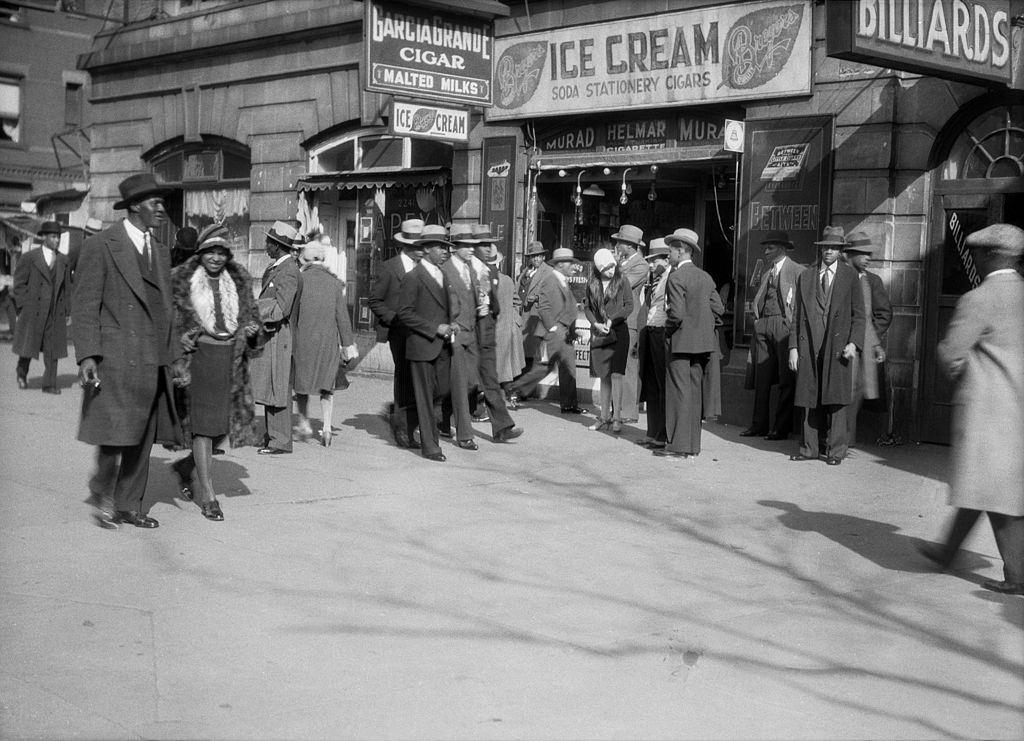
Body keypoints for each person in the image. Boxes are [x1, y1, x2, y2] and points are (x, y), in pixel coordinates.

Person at [72, 172, 185, 529]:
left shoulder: (161, 252)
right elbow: (86, 304)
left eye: (162, 203)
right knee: (114, 434)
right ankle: (103, 490)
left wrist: (177, 360)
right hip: (115, 358)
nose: (161, 209)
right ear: (135, 206)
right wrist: (88, 355)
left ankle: (129, 504)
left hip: (152, 359)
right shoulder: (102, 245)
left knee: (143, 436)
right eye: (155, 202)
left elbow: (167, 310)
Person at [919, 223, 1024, 595]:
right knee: (990, 486)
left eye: (977, 253)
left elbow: (950, 354)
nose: (974, 260)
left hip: (989, 411)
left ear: (991, 255)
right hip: (1018, 410)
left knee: (990, 487)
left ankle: (1017, 576)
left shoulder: (978, 298)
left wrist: (966, 379)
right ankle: (946, 553)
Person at [168, 223, 261, 521]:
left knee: (222, 426)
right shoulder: (183, 280)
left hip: (231, 360)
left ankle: (186, 466)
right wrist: (181, 342)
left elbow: (253, 318)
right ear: (201, 252)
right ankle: (208, 495)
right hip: (199, 360)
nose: (216, 258)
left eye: (222, 253)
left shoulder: (239, 279)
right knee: (203, 427)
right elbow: (169, 321)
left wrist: (252, 331)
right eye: (211, 252)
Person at [788, 225, 865, 466]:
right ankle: (809, 448)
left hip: (838, 345)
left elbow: (859, 315)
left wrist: (854, 343)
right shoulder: (807, 275)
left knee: (836, 400)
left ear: (841, 250)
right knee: (808, 396)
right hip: (810, 344)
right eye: (825, 247)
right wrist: (793, 347)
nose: (828, 251)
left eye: (833, 248)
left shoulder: (850, 276)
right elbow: (798, 315)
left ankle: (836, 451)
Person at [657, 228, 723, 459]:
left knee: (678, 394)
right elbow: (719, 308)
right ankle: (693, 446)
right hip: (703, 344)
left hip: (680, 343)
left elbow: (676, 314)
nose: (668, 255)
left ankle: (679, 446)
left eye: (671, 251)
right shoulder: (705, 276)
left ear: (681, 251)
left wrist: (668, 331)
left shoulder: (676, 277)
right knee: (695, 394)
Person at [396, 224, 458, 462]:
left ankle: (409, 425)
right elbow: (405, 313)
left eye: (446, 247)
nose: (445, 251)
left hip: (442, 345)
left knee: (441, 391)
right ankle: (430, 446)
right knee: (424, 396)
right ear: (427, 249)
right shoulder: (414, 277)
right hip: (422, 345)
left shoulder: (443, 274)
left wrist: (451, 324)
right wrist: (434, 328)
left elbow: (444, 308)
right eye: (441, 247)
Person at [292, 240, 358, 447]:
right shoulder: (335, 284)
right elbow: (342, 319)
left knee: (301, 384)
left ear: (305, 259)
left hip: (302, 340)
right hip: (327, 342)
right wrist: (348, 346)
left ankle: (304, 424)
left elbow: (293, 315)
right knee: (326, 386)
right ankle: (327, 428)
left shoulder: (299, 280)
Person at [506, 247, 585, 414]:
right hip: (553, 334)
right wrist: (553, 328)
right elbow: (543, 307)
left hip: (565, 333)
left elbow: (566, 307)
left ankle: (570, 404)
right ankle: (514, 388)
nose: (573, 267)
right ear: (560, 264)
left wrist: (572, 330)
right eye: (569, 263)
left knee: (569, 368)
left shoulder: (562, 280)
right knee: (543, 368)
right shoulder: (550, 279)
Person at [742, 230, 805, 440]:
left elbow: (801, 303)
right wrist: (758, 322)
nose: (766, 251)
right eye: (766, 247)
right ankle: (758, 425)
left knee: (786, 379)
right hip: (763, 326)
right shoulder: (766, 271)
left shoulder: (797, 270)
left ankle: (781, 428)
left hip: (783, 325)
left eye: (770, 247)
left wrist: (790, 325)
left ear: (782, 248)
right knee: (762, 377)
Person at [368, 219, 424, 449]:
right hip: (399, 332)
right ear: (407, 246)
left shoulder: (425, 269)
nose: (422, 250)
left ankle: (416, 422)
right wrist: (393, 318)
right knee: (404, 377)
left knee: (420, 379)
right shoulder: (389, 268)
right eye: (419, 246)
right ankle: (402, 427)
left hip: (421, 332)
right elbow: (374, 300)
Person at [250, 220, 301, 455]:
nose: (266, 245)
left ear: (278, 245)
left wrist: (256, 309)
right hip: (272, 336)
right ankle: (273, 436)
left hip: (280, 337)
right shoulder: (277, 268)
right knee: (272, 386)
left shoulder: (289, 270)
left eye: (269, 242)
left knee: (278, 387)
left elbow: (282, 309)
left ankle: (280, 440)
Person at [469, 224, 523, 442]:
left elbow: (496, 305)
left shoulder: (491, 273)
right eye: (483, 244)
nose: (488, 248)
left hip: (488, 336)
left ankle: (502, 427)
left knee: (491, 384)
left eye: (490, 244)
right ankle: (422, 416)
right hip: (469, 335)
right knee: (461, 385)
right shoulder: (467, 269)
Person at [840, 231, 893, 447]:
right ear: (849, 255)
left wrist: (872, 337)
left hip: (862, 349)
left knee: (855, 391)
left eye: (869, 254)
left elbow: (884, 313)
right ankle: (837, 438)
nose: (868, 258)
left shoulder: (872, 281)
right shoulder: (840, 278)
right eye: (862, 254)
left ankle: (846, 440)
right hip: (840, 344)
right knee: (840, 391)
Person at [12, 220, 71, 394]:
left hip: (54, 312)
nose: (57, 240)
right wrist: (23, 306)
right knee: (28, 347)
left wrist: (68, 311)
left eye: (58, 237)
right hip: (34, 311)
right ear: (44, 237)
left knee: (52, 349)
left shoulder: (63, 260)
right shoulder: (30, 258)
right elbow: (19, 284)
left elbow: (68, 288)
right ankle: (21, 373)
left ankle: (49, 384)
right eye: (53, 237)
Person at [440, 224, 482, 450]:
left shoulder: (471, 270)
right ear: (455, 247)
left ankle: (442, 419)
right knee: (458, 384)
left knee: (472, 383)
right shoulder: (445, 269)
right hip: (456, 333)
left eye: (473, 246)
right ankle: (465, 435)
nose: (472, 250)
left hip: (471, 333)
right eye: (467, 246)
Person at [584, 247, 633, 433]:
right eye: (606, 269)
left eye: (612, 266)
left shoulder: (622, 280)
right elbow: (587, 307)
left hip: (619, 332)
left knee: (617, 375)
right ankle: (604, 417)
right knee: (604, 376)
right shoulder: (592, 283)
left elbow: (630, 305)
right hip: (601, 333)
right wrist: (595, 324)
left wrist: (614, 319)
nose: (611, 271)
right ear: (598, 269)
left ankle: (617, 418)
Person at [610, 225, 650, 423]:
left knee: (628, 367)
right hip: (619, 318)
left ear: (629, 245)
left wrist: (615, 267)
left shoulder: (641, 265)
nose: (616, 245)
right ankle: (616, 408)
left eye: (620, 242)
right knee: (617, 366)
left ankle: (628, 412)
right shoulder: (625, 263)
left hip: (630, 320)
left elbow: (620, 286)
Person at [636, 238, 671, 449]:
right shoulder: (655, 279)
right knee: (650, 385)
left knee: (660, 384)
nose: (650, 265)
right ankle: (652, 432)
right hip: (650, 332)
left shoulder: (670, 278)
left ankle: (661, 434)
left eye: (654, 260)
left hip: (661, 332)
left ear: (666, 259)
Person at [510, 240, 553, 404]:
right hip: (522, 316)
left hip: (535, 318)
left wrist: (537, 298)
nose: (536, 259)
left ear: (543, 256)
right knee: (521, 353)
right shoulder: (525, 271)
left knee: (530, 354)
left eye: (539, 255)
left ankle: (521, 391)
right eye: (533, 256)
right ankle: (518, 389)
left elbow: (550, 294)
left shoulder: (548, 272)